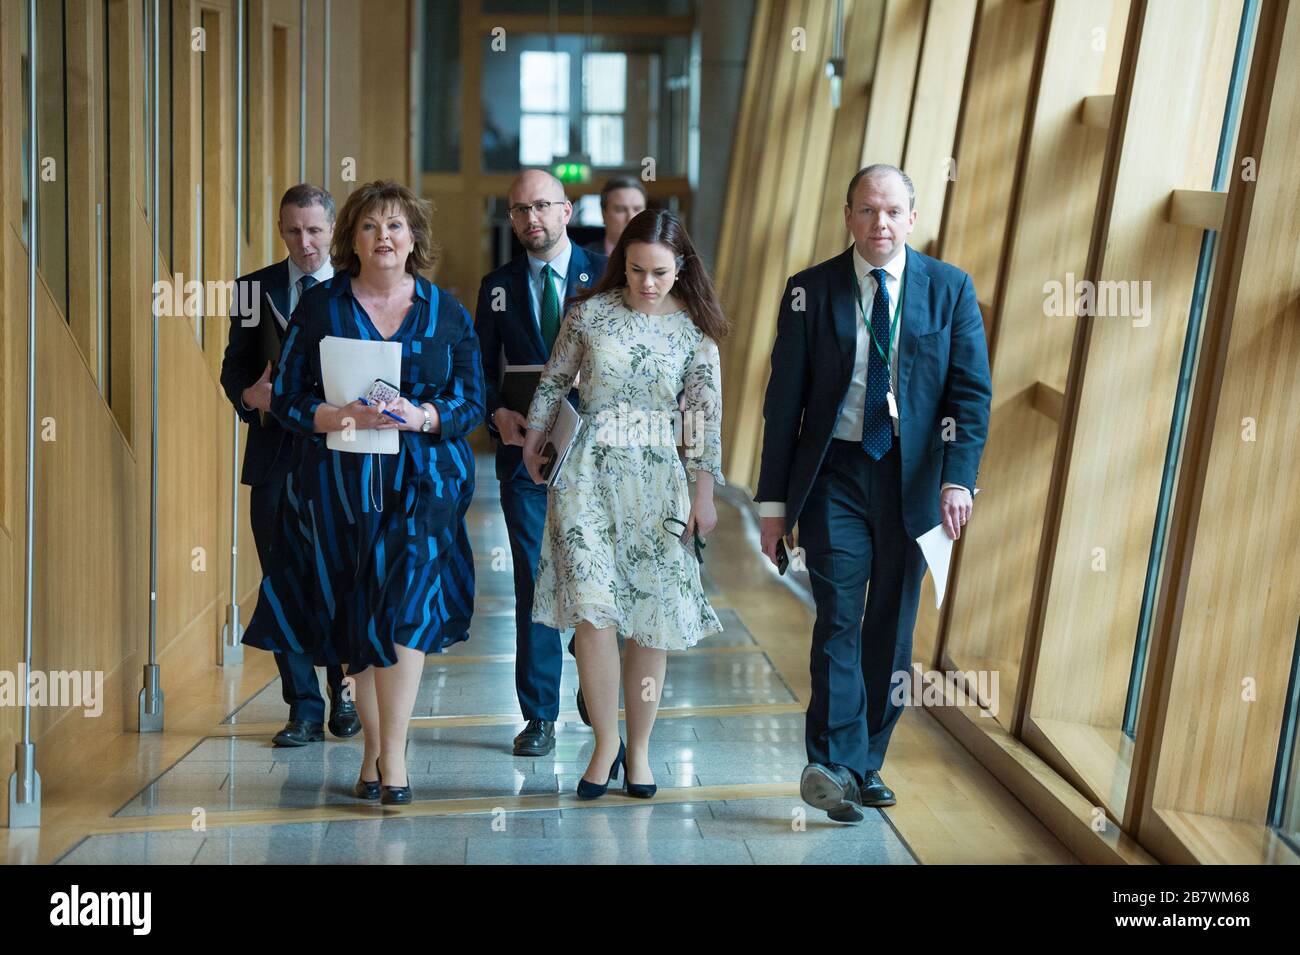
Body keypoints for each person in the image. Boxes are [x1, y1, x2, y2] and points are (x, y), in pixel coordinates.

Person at [755, 164, 991, 823]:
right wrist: (773, 507)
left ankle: (865, 763)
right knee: (838, 613)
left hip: (914, 481)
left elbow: (970, 395)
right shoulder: (811, 291)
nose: (879, 223)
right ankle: (831, 762)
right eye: (866, 211)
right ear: (847, 215)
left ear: (912, 218)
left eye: (892, 212)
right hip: (836, 475)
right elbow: (784, 406)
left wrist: (957, 476)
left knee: (892, 628)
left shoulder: (949, 289)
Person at [242, 180, 484, 805]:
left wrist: (424, 415)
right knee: (359, 621)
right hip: (338, 489)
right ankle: (374, 751)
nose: (384, 237)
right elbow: (289, 399)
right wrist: (338, 414)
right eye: (372, 226)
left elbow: (471, 403)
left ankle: (394, 756)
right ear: (352, 237)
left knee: (404, 613)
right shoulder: (320, 308)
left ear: (414, 239)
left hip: (425, 487)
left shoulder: (446, 311)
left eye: (396, 226)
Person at [522, 209, 728, 799]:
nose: (647, 283)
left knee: (649, 621)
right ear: (623, 264)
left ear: (681, 268)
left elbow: (701, 420)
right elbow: (554, 380)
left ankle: (638, 750)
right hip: (586, 474)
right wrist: (533, 445)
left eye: (660, 273)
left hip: (660, 480)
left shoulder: (696, 331)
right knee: (593, 612)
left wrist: (704, 493)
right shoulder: (589, 313)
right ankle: (604, 742)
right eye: (636, 270)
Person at [219, 183, 360, 747]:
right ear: (282, 230)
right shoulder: (254, 289)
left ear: (331, 231)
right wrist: (248, 396)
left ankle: (343, 695)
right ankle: (302, 706)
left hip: (343, 457)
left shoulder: (354, 288)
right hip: (277, 455)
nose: (305, 243)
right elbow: (233, 367)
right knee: (283, 581)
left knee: (345, 579)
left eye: (315, 231)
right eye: (293, 231)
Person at [475, 170, 607, 756]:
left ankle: (595, 675)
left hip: (598, 459)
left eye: (544, 206)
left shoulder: (607, 273)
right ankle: (540, 715)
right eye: (522, 209)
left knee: (593, 578)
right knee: (535, 578)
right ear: (512, 218)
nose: (534, 219)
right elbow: (477, 369)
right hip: (525, 455)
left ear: (568, 210)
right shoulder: (496, 287)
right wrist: (496, 414)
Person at [584, 176, 647, 258]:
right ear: (603, 214)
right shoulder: (582, 258)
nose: (631, 218)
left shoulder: (661, 258)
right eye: (621, 210)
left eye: (637, 209)